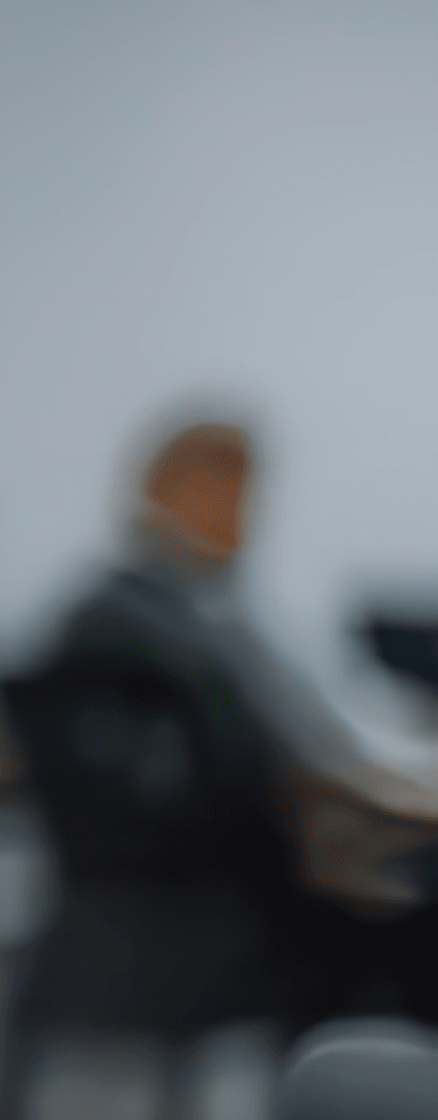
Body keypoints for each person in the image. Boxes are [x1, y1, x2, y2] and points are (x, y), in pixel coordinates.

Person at [48, 422, 434, 1002]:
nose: (246, 516)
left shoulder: (95, 614)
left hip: (129, 913)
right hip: (250, 914)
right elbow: (313, 760)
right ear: (171, 488)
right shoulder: (199, 632)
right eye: (232, 491)